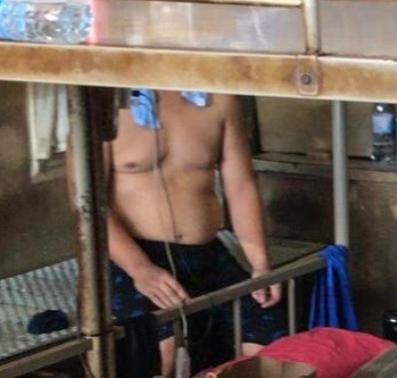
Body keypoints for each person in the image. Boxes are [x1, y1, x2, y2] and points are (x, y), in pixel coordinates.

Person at [105, 90, 285, 376]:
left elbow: (240, 185)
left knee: (268, 345)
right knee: (162, 351)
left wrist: (260, 264)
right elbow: (87, 205)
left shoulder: (217, 100)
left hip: (207, 253)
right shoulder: (105, 106)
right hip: (131, 257)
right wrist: (140, 270)